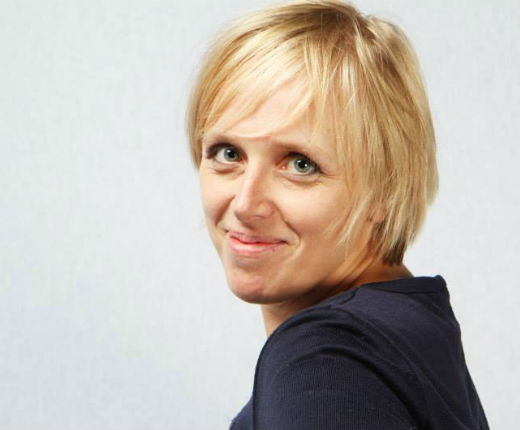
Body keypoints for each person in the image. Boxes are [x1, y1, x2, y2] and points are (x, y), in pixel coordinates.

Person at [186, 0, 489, 428]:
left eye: (300, 164)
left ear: (385, 188)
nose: (246, 204)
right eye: (228, 153)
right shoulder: (407, 330)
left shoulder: (324, 363)